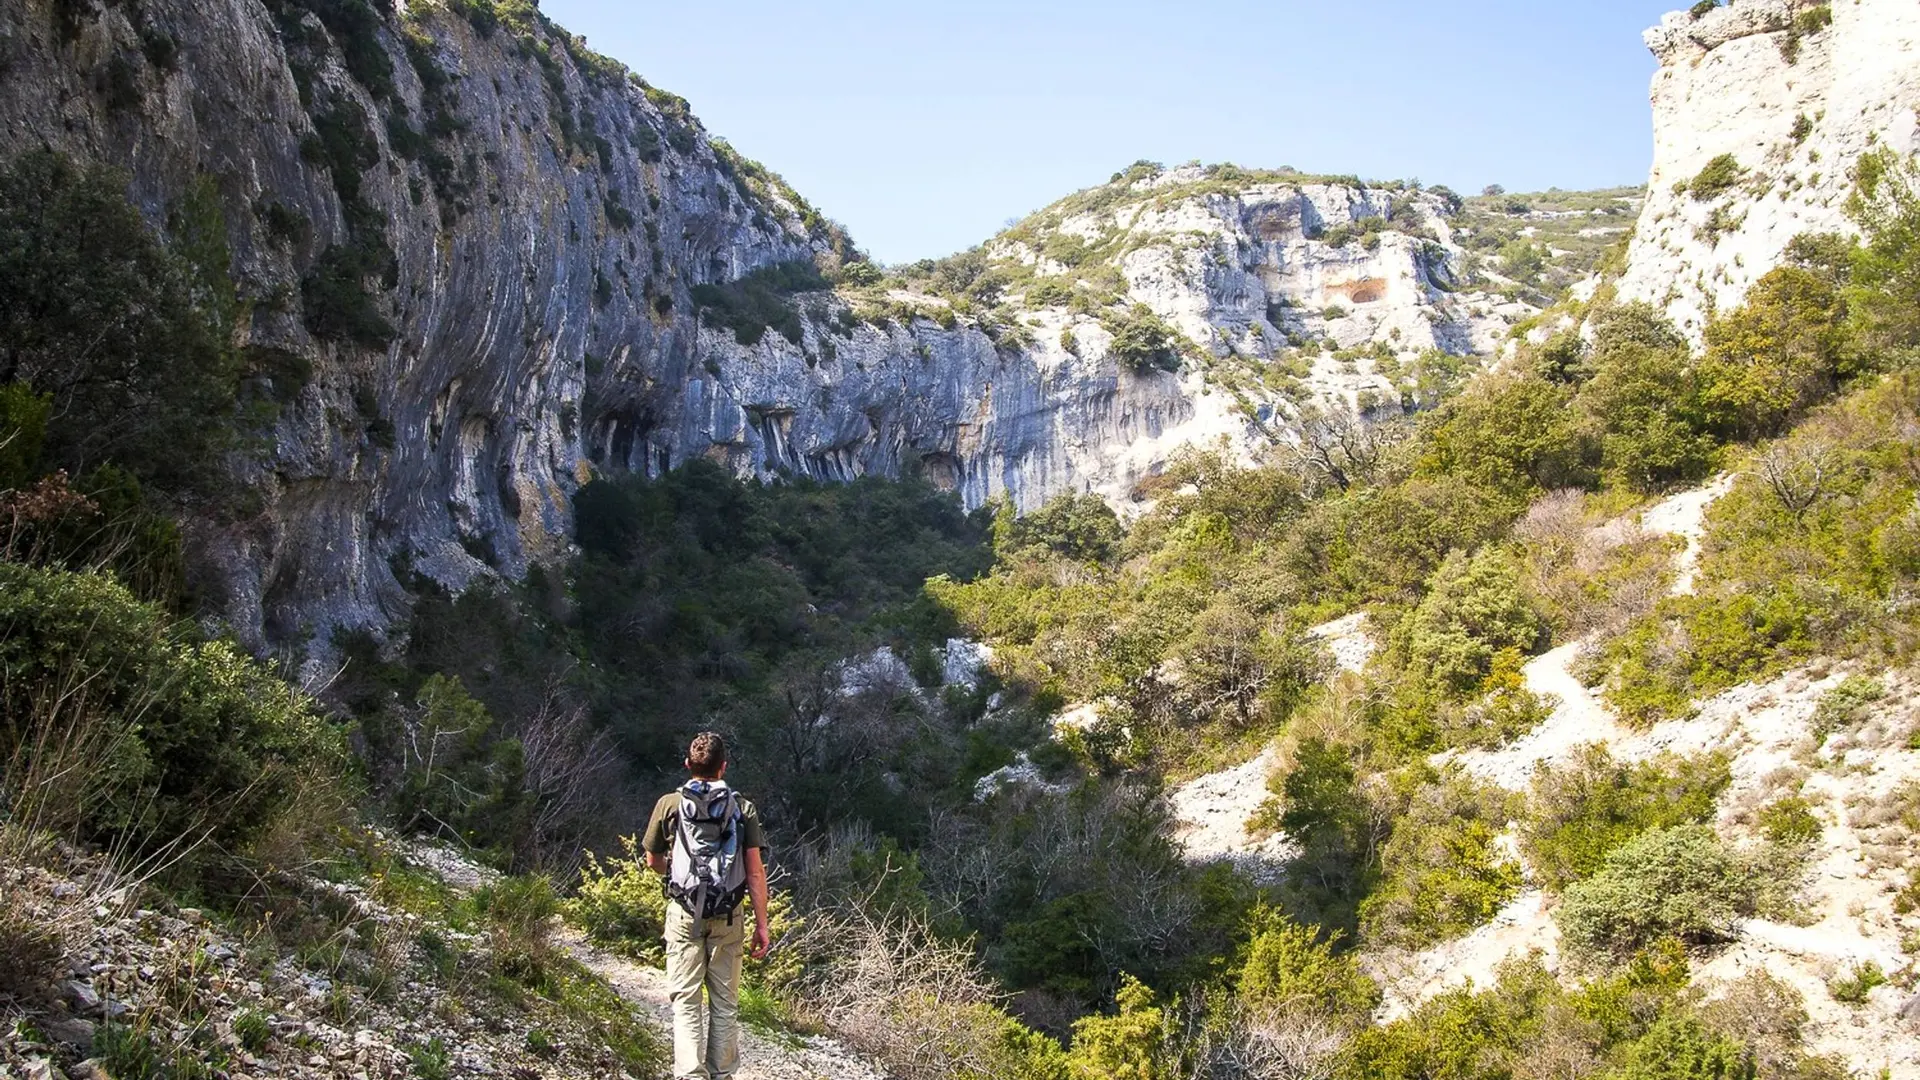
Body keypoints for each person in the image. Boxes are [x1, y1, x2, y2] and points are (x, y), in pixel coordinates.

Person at [643, 731, 771, 1080]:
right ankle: (721, 1075)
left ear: (688, 765)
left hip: (684, 913)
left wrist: (678, 874)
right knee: (725, 1004)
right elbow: (755, 872)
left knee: (686, 1002)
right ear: (723, 767)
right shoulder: (743, 809)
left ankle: (690, 1075)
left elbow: (652, 859)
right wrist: (762, 924)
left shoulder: (669, 805)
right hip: (728, 915)